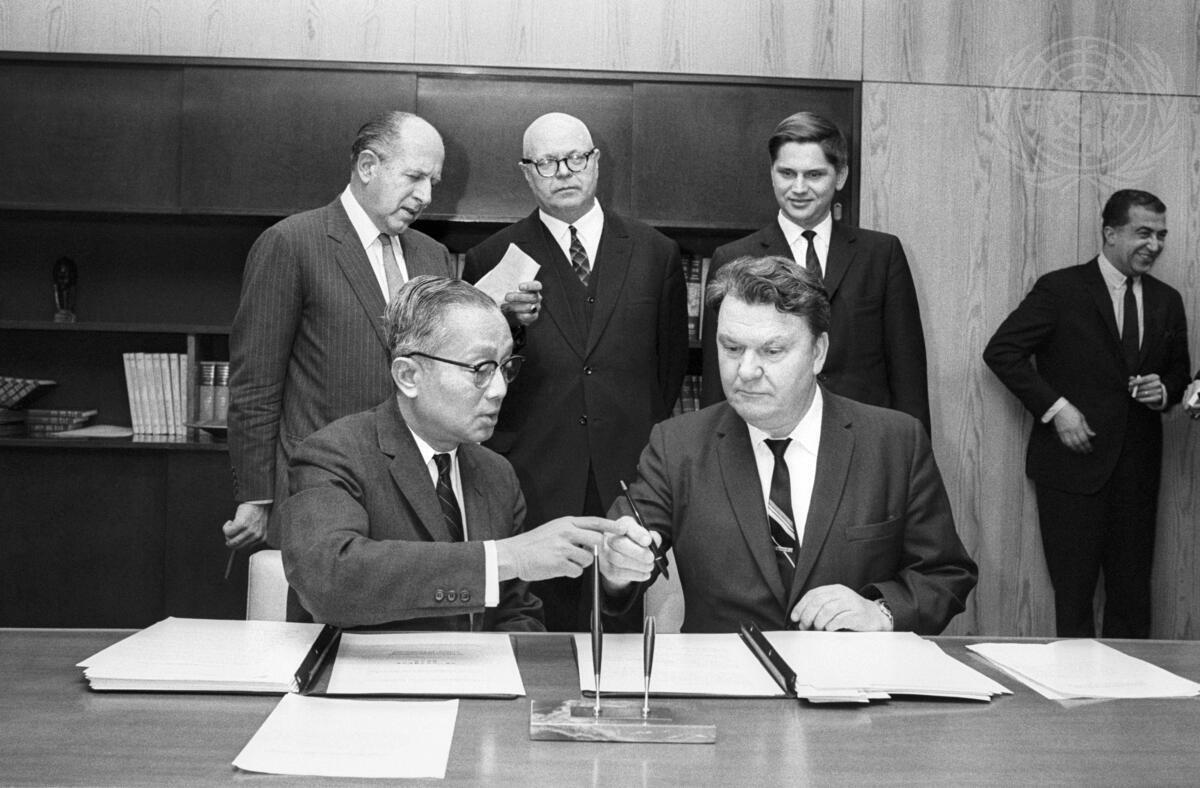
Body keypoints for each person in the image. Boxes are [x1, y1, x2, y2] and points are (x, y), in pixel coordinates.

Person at [599, 256, 976, 635]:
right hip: (724, 669)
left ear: (818, 352)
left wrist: (882, 612)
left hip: (849, 667)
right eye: (732, 348)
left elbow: (944, 573)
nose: (746, 371)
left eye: (772, 351)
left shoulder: (894, 442)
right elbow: (622, 547)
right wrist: (617, 566)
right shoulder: (677, 445)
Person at [280, 276, 629, 630]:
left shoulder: (497, 475)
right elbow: (329, 581)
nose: (499, 390)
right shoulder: (333, 455)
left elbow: (516, 614)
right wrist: (504, 557)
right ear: (408, 376)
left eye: (505, 367)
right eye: (480, 369)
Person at [462, 112, 688, 631]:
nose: (563, 172)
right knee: (534, 633)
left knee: (622, 629)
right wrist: (505, 322)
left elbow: (670, 370)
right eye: (546, 162)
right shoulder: (490, 257)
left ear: (596, 162)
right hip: (533, 476)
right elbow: (474, 376)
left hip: (630, 474)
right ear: (526, 173)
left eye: (575, 158)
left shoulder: (656, 253)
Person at [225, 111, 457, 550]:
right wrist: (256, 495)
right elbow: (255, 383)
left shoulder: (433, 256)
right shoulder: (291, 243)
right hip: (320, 489)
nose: (426, 196)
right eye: (414, 177)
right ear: (368, 166)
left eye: (434, 182)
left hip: (416, 496)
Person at [983, 189, 1190, 638]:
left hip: (1137, 474)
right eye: (1143, 233)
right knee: (1073, 601)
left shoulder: (1167, 300)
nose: (1154, 245)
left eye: (1161, 235)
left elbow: (1179, 375)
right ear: (1110, 233)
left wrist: (1164, 390)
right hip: (1071, 470)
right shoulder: (1061, 289)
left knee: (1132, 603)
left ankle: (1131, 683)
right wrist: (1057, 410)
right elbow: (1002, 352)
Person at [699, 111, 930, 434]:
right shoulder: (734, 258)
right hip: (767, 436)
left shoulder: (882, 255)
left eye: (814, 175)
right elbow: (717, 377)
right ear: (772, 173)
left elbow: (908, 373)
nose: (798, 188)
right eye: (787, 173)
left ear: (840, 176)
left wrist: (914, 451)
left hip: (865, 438)